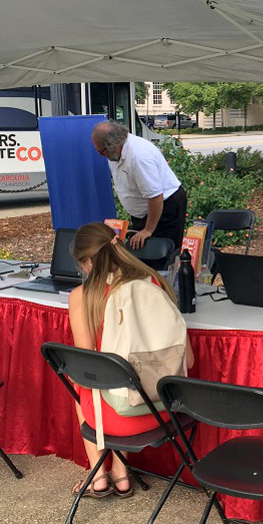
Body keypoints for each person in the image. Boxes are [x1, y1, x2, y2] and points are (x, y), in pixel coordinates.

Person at [67, 222, 194, 498]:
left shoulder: (83, 297)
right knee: (126, 376)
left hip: (119, 419)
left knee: (82, 385)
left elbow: (84, 370)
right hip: (164, 410)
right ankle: (121, 472)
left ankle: (99, 475)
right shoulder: (154, 283)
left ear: (87, 261)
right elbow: (190, 361)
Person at [91, 121, 187, 256]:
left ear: (113, 144)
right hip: (144, 212)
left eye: (101, 151)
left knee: (161, 256)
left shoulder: (138, 156)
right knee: (141, 255)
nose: (101, 155)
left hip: (165, 208)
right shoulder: (115, 151)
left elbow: (155, 196)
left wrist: (148, 230)